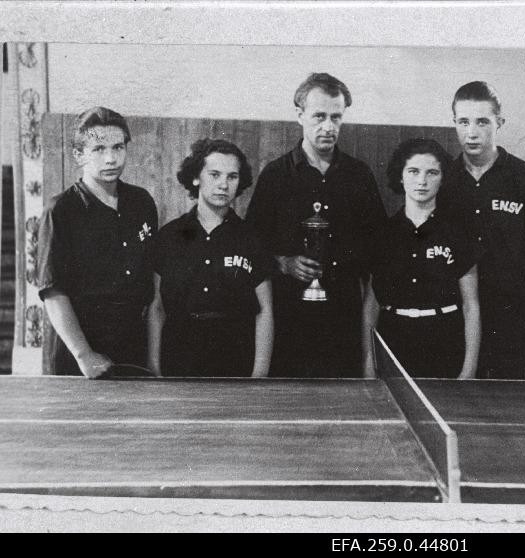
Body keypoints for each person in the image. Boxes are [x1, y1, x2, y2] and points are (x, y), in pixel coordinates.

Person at [246, 72, 387, 378]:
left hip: (344, 322)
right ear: (300, 115)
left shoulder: (359, 176)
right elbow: (252, 246)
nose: (328, 127)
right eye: (319, 116)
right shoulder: (276, 175)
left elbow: (378, 249)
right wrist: (283, 262)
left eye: (336, 117)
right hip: (288, 322)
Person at [440, 81, 525, 379]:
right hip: (455, 317)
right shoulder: (443, 180)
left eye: (482, 121)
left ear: (499, 123)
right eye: (463, 122)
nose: (472, 132)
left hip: (511, 319)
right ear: (454, 123)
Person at [37, 107, 158, 378]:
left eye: (118, 147)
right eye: (99, 149)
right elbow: (53, 293)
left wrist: (152, 358)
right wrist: (84, 354)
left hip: (130, 343)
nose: (111, 158)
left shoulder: (142, 203)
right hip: (77, 348)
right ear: (79, 155)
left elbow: (151, 285)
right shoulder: (61, 210)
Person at [147, 138, 273, 377]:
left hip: (236, 357)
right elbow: (157, 308)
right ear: (196, 177)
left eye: (232, 177)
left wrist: (260, 374)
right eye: (214, 174)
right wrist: (154, 367)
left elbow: (264, 310)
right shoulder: (170, 236)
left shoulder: (251, 239)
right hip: (179, 356)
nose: (223, 185)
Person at [362, 138, 481, 379]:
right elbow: (371, 304)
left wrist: (468, 371)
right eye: (414, 171)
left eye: (432, 172)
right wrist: (368, 363)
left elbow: (471, 305)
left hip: (445, 344)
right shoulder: (383, 234)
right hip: (393, 341)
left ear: (443, 178)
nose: (422, 181)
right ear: (400, 176)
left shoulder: (458, 233)